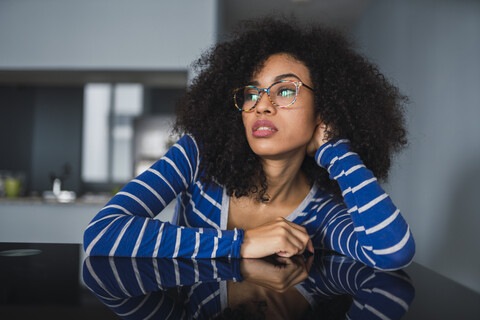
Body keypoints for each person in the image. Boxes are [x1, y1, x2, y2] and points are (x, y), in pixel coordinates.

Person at [83, 17, 415, 271]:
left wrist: (334, 149)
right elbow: (102, 232)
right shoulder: (199, 156)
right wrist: (242, 243)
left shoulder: (322, 213)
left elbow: (392, 251)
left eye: (285, 90)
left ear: (324, 110)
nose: (262, 105)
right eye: (252, 93)